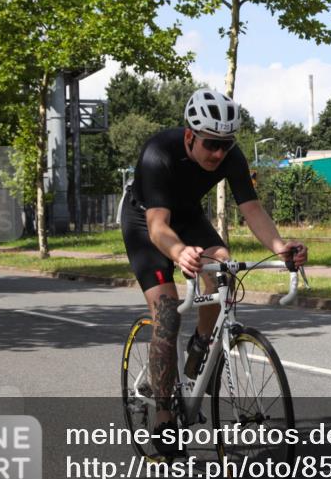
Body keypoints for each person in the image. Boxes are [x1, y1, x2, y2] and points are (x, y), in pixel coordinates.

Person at [121, 89, 307, 457]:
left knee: (223, 264)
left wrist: (280, 248)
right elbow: (159, 225)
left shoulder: (230, 155)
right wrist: (178, 252)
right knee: (168, 312)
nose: (219, 154)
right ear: (190, 136)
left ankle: (201, 345)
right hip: (146, 221)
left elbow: (252, 209)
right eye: (211, 145)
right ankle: (162, 415)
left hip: (187, 216)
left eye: (226, 145)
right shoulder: (159, 152)